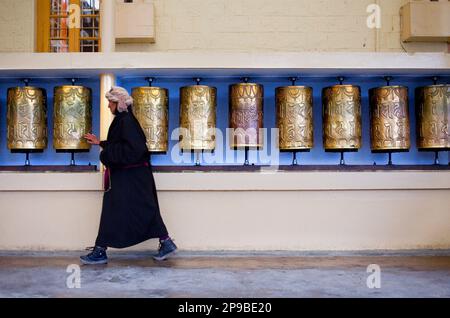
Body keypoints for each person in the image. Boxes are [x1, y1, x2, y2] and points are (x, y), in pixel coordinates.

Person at [80, 86, 177, 265]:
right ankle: (166, 242)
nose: (108, 106)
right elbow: (123, 144)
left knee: (119, 209)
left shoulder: (126, 121)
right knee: (143, 209)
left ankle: (100, 250)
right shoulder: (124, 120)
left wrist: (106, 155)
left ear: (119, 103)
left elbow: (136, 149)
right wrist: (101, 143)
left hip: (131, 178)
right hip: (132, 176)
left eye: (110, 102)